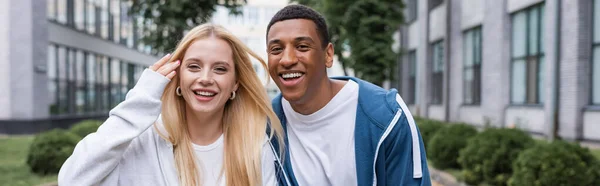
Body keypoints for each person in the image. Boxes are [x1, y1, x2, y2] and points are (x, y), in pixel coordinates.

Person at [58, 23, 287, 186]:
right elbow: (72, 179)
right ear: (177, 76)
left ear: (235, 84)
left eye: (220, 69)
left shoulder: (255, 144)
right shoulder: (142, 138)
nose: (205, 78)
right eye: (194, 67)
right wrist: (140, 101)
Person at [265, 4, 431, 186]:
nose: (287, 59)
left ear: (328, 55)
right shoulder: (266, 124)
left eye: (302, 46)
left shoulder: (386, 117)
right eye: (276, 49)